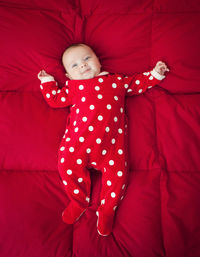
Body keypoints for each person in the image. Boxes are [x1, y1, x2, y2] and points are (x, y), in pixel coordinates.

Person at [37, 43, 169, 236]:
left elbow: (137, 83)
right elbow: (55, 99)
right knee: (65, 165)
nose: (82, 65)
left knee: (119, 176)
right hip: (78, 145)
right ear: (68, 77)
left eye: (87, 59)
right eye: (74, 66)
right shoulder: (73, 87)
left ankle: (107, 210)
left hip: (112, 148)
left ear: (98, 61)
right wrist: (47, 82)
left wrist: (155, 74)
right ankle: (79, 200)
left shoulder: (116, 82)